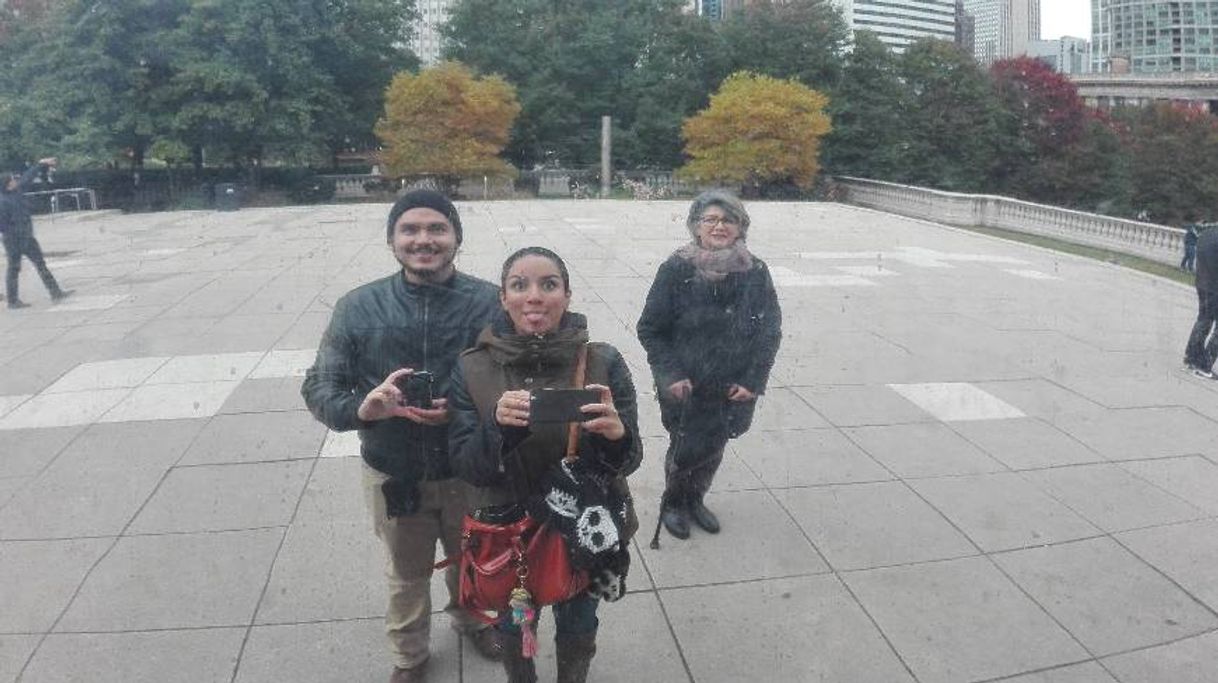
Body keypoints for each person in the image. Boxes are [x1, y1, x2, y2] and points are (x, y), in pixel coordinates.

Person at [301, 190, 502, 683]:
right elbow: (319, 386)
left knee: (472, 556)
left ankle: (472, 618)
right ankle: (410, 655)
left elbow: (518, 381)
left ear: (457, 237)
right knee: (407, 572)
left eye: (437, 228)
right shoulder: (358, 306)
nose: (424, 240)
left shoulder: (490, 304)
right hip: (396, 469)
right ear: (392, 240)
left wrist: (463, 410)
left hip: (468, 467)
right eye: (409, 230)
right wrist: (362, 409)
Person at [449, 246, 642, 683]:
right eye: (520, 285)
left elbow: (630, 460)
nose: (534, 296)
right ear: (503, 298)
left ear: (567, 296)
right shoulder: (471, 368)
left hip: (586, 529)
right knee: (516, 629)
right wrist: (499, 430)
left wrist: (616, 437)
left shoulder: (602, 361)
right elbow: (468, 467)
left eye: (548, 284)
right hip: (509, 533)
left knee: (579, 623)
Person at [637, 190, 782, 540]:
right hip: (684, 384)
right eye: (710, 219)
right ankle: (673, 503)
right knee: (684, 447)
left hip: (731, 385)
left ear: (740, 227)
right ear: (696, 226)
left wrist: (752, 381)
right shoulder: (676, 268)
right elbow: (651, 329)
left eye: (728, 219)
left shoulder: (755, 270)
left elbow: (769, 331)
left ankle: (695, 500)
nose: (719, 226)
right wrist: (670, 375)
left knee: (715, 446)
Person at [1, 157, 72, 309]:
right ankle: (13, 301)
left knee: (41, 264)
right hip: (13, 240)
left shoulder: (16, 191)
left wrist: (41, 164)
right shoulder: (2, 201)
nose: (16, 181)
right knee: (14, 268)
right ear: (7, 184)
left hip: (27, 237)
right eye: (13, 180)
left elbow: (28, 177)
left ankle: (55, 292)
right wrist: (14, 233)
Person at [1184, 224, 1218, 379]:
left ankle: (1191, 357)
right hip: (1215, 286)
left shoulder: (1207, 233)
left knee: (1203, 319)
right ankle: (1204, 366)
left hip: (1203, 283)